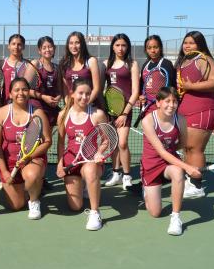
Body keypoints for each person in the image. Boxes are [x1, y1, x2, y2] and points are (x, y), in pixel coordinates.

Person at [140, 87, 203, 235]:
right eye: (167, 101)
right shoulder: (148, 120)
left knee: (178, 171)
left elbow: (182, 143)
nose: (171, 105)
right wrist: (188, 167)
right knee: (155, 212)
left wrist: (180, 164)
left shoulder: (180, 120)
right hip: (151, 165)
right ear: (158, 103)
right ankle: (146, 191)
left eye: (175, 101)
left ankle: (175, 217)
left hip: (169, 163)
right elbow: (161, 152)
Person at [0, 77, 52, 219]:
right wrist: (5, 171)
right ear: (10, 94)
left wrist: (28, 157)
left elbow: (47, 141)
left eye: (25, 89)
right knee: (16, 205)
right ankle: (30, 188)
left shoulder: (38, 113)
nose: (21, 93)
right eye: (16, 90)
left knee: (31, 175)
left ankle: (34, 200)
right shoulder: (1, 113)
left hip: (31, 160)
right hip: (10, 163)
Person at [176, 31, 214, 198]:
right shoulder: (182, 62)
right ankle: (190, 180)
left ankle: (196, 186)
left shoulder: (203, 59)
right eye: (185, 42)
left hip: (203, 109)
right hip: (185, 111)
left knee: (195, 149)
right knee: (187, 147)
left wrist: (191, 87)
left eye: (192, 43)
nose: (187, 46)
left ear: (200, 45)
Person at [56, 78, 109, 230]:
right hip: (71, 161)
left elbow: (107, 140)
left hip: (91, 160)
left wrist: (99, 152)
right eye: (80, 93)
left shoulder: (97, 114)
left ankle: (94, 212)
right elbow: (60, 142)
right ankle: (85, 186)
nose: (84, 97)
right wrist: (60, 163)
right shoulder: (63, 115)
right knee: (75, 206)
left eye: (87, 94)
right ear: (72, 94)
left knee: (90, 171)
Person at [103, 34, 139, 189]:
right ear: (112, 46)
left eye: (123, 45)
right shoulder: (106, 64)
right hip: (109, 110)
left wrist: (125, 113)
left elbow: (135, 91)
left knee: (122, 143)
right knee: (113, 143)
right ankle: (116, 173)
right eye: (117, 45)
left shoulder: (132, 64)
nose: (120, 48)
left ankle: (127, 175)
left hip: (125, 110)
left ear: (128, 47)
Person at [30, 36, 62, 191]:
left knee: (48, 143)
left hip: (52, 109)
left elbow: (61, 89)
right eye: (44, 47)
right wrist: (43, 97)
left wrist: (58, 97)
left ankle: (59, 170)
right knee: (40, 144)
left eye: (50, 47)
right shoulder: (35, 65)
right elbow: (24, 88)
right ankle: (38, 179)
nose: (47, 50)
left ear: (54, 49)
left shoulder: (57, 68)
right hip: (37, 108)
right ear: (39, 50)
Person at [59, 31, 101, 106]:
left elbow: (96, 88)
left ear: (82, 44)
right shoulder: (64, 63)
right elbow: (65, 89)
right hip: (72, 107)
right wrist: (68, 104)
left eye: (77, 43)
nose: (74, 46)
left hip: (89, 106)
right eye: (71, 43)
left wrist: (84, 104)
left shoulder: (91, 61)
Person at [137, 34, 176, 115]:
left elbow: (172, 87)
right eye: (149, 48)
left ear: (160, 48)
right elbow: (142, 87)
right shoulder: (145, 65)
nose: (152, 50)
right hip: (146, 108)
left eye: (155, 47)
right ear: (146, 50)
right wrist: (141, 97)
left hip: (162, 109)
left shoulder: (166, 64)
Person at [0, 34, 27, 104]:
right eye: (13, 44)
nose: (16, 47)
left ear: (23, 47)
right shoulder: (1, 63)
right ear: (8, 46)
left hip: (23, 105)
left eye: (19, 44)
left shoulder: (28, 65)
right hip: (5, 104)